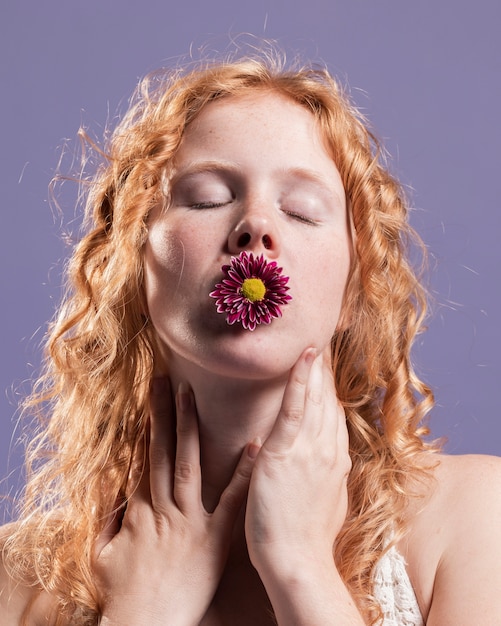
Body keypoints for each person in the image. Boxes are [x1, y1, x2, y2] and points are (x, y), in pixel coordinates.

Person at [1, 48, 500, 626]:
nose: (256, 226)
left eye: (303, 210)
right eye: (209, 198)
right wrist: (143, 614)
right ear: (131, 266)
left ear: (354, 289)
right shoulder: (19, 581)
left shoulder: (472, 522)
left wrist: (301, 567)